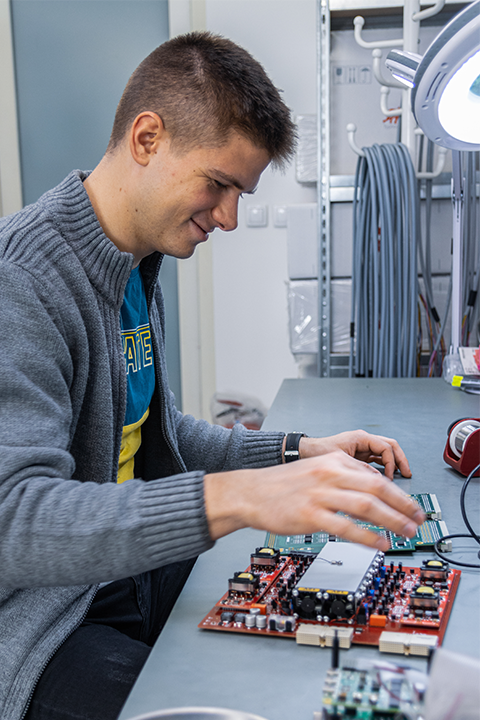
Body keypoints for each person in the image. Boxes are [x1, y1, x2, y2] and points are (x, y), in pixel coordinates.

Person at [0, 31, 424, 720]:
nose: (228, 218)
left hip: (122, 573)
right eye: (219, 185)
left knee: (302, 662)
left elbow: (155, 437)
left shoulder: (133, 265)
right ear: (147, 139)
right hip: (44, 619)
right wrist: (237, 497)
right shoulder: (21, 281)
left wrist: (295, 453)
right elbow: (13, 520)